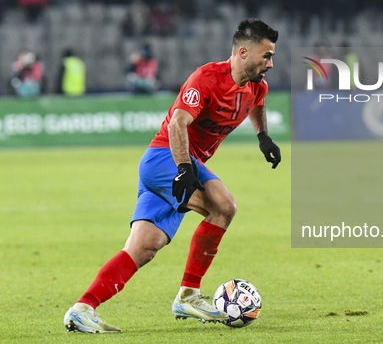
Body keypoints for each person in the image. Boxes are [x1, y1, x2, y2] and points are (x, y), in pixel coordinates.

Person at [64, 19, 281, 333]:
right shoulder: (206, 78)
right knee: (224, 206)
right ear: (243, 52)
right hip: (165, 158)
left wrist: (263, 136)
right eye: (266, 55)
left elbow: (257, 105)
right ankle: (189, 294)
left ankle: (82, 309)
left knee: (144, 248)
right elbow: (179, 123)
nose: (270, 63)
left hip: (180, 167)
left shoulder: (257, 85)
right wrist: (184, 169)